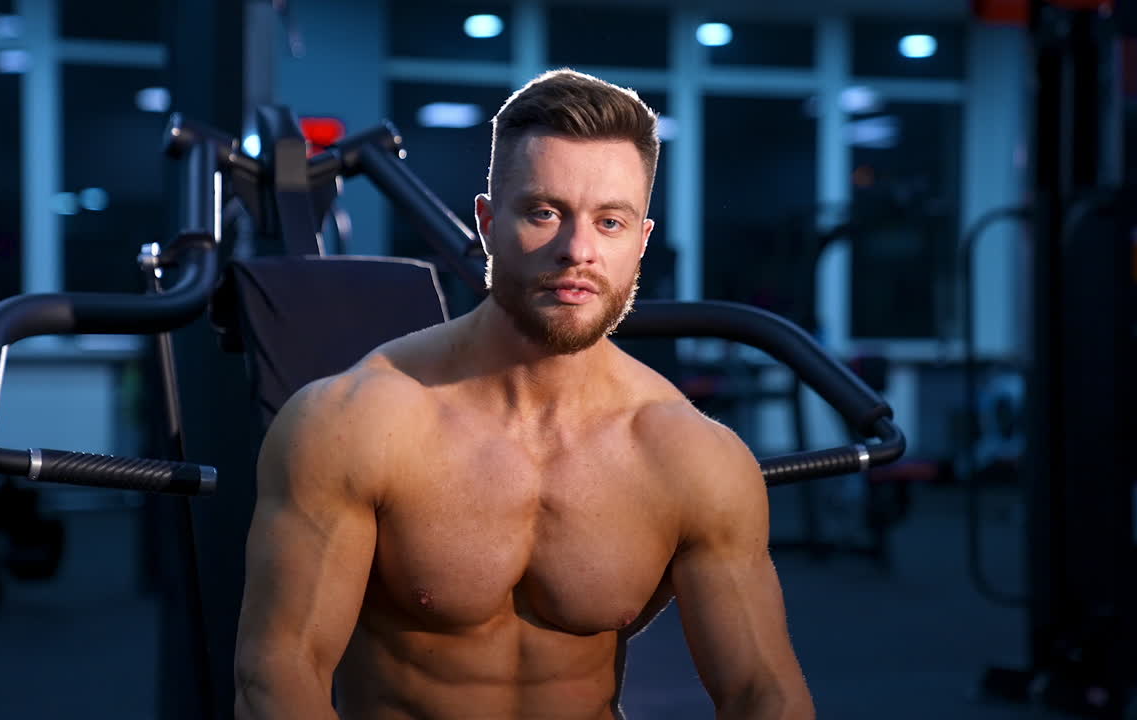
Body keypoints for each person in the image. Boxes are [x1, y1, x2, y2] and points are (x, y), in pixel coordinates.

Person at [234, 68, 814, 720]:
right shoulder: (354, 423)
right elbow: (279, 673)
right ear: (486, 223)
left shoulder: (691, 456)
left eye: (610, 222)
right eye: (545, 212)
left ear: (641, 243)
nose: (577, 250)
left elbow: (762, 693)